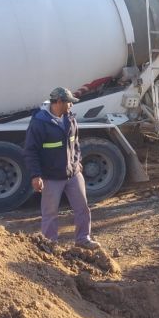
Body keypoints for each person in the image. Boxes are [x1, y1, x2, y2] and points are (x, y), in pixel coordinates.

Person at [23, 87, 101, 250]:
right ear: (58, 102)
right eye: (69, 102)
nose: (71, 106)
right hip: (51, 177)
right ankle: (50, 245)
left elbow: (76, 143)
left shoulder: (70, 119)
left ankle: (83, 239)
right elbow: (31, 151)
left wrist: (77, 161)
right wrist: (36, 175)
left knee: (82, 208)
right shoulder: (39, 123)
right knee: (50, 214)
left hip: (73, 174)